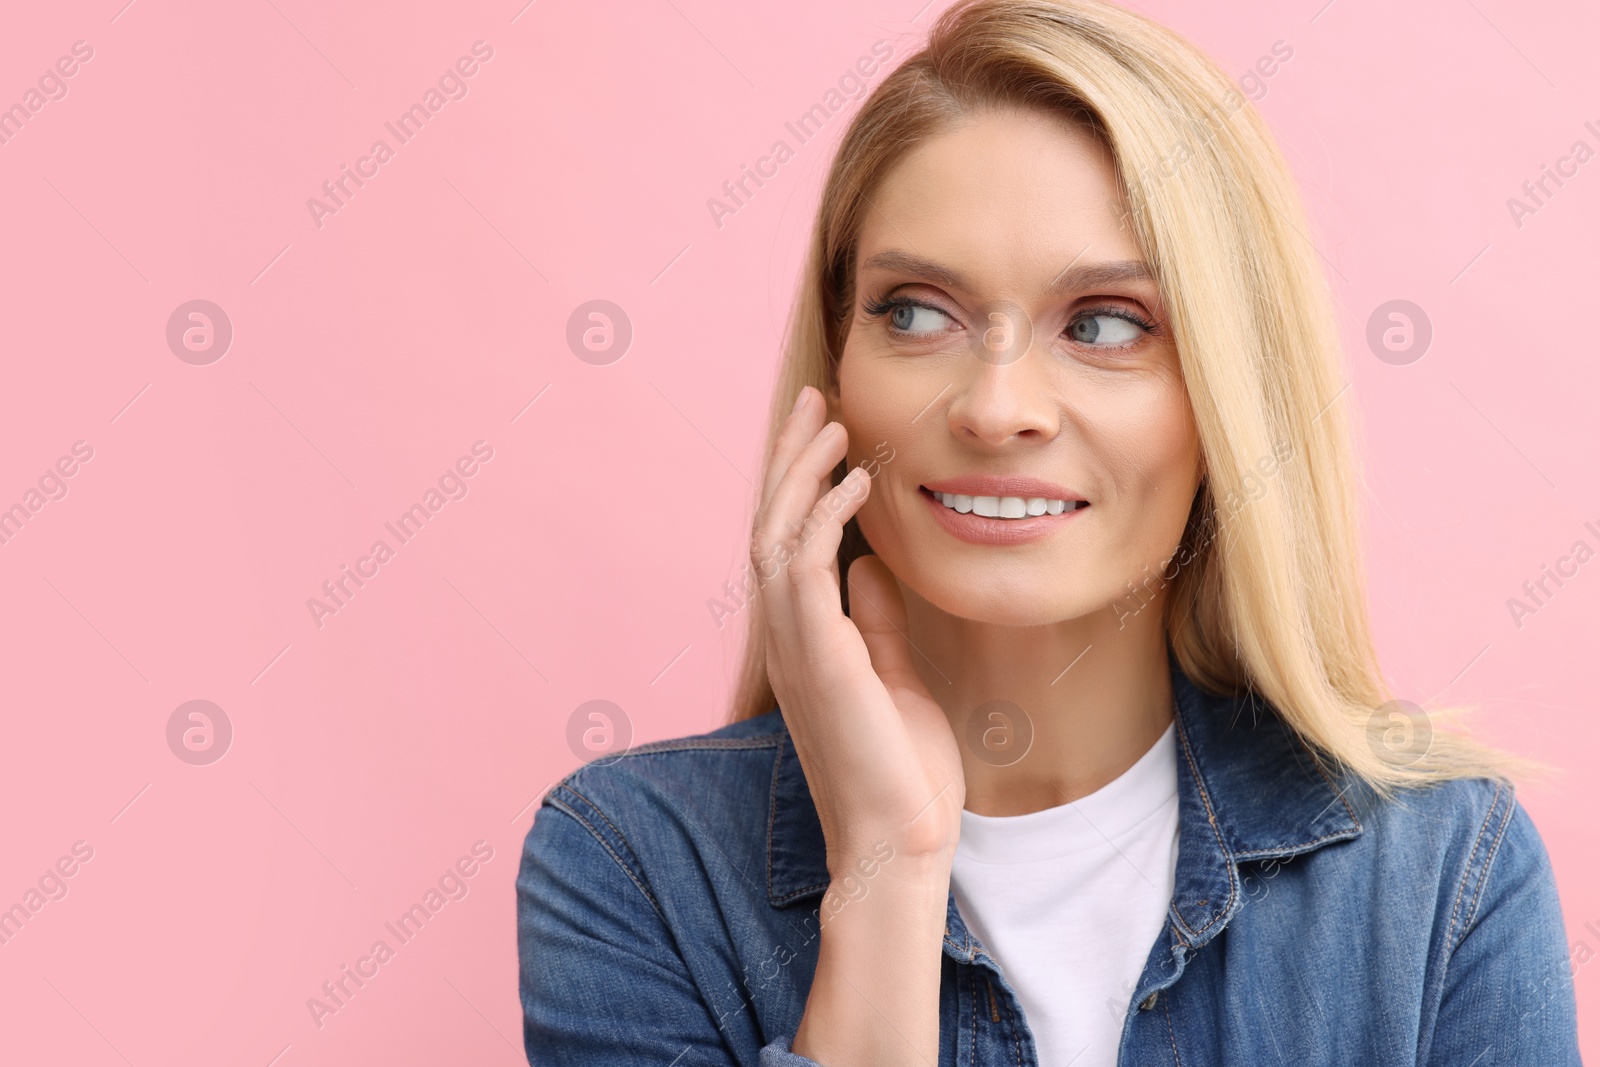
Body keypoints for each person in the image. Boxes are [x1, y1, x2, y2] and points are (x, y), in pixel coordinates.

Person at [516, 0, 1582, 1063]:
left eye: (1106, 324)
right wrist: (885, 869)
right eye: (915, 310)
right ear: (835, 362)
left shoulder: (1443, 869)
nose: (993, 406)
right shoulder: (633, 859)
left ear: (1229, 399)